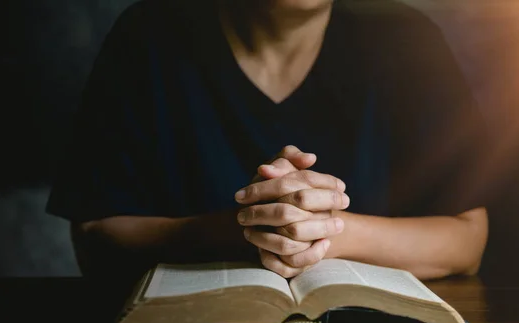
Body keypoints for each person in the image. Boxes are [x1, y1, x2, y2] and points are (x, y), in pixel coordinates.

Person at [47, 0, 489, 284]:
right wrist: (247, 230)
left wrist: (324, 232)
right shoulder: (148, 33)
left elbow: (468, 239)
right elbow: (95, 236)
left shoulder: (408, 39)